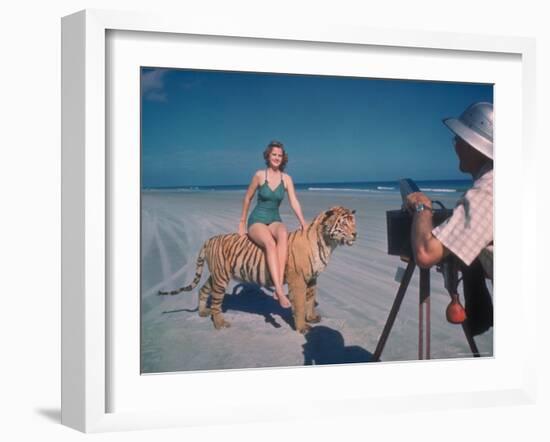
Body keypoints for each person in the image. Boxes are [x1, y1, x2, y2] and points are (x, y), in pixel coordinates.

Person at [405, 102, 494, 281]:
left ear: (471, 145)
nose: (455, 147)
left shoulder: (486, 192)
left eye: (457, 139)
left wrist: (422, 207)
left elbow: (425, 253)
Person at [238, 140, 308, 308]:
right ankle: (278, 290)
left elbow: (294, 202)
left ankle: (279, 284)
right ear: (268, 156)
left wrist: (303, 222)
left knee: (283, 234)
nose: (277, 157)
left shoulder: (287, 179)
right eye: (274, 154)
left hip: (274, 219)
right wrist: (241, 222)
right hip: (257, 220)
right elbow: (247, 198)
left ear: (283, 158)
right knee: (270, 243)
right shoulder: (260, 175)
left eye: (280, 155)